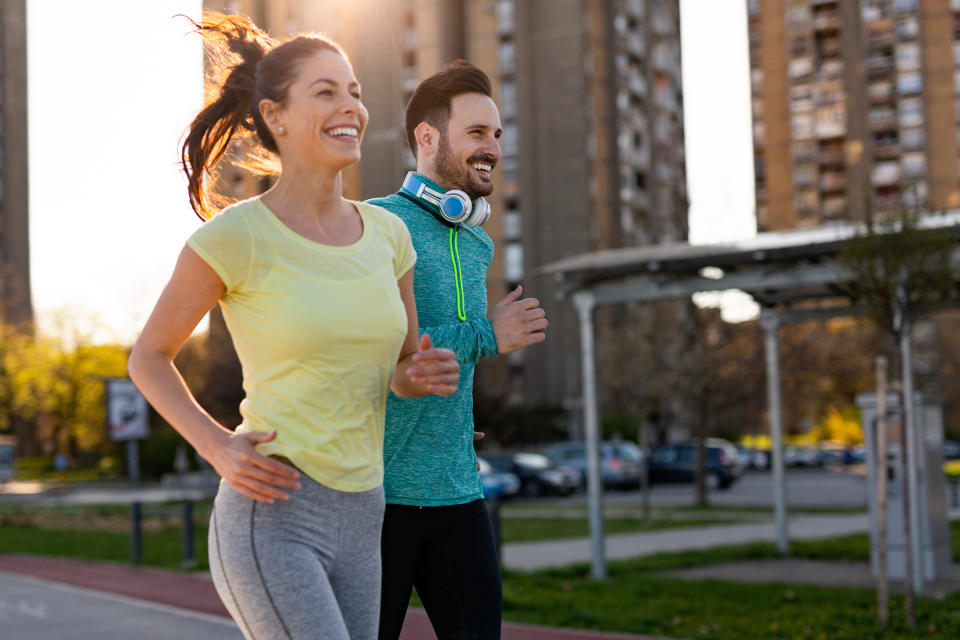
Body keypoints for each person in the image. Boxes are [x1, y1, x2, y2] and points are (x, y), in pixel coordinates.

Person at [127, 14, 460, 640]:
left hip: (365, 511)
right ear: (276, 116)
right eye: (326, 92)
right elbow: (149, 356)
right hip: (274, 510)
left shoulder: (390, 236)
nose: (350, 107)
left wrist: (422, 374)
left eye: (355, 92)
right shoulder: (235, 236)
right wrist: (217, 446)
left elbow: (398, 374)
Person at [368, 61, 548, 640]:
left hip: (458, 492)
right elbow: (380, 347)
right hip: (380, 498)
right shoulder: (374, 225)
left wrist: (452, 416)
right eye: (476, 133)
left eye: (496, 135)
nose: (492, 147)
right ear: (427, 137)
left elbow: (445, 358)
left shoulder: (477, 240)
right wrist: (489, 336)